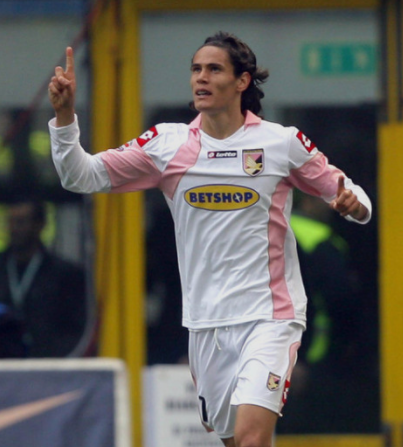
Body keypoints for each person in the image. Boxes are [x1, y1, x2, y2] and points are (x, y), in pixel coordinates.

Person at [48, 31, 371, 447]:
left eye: (214, 69)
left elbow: (348, 191)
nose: (201, 78)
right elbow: (81, 176)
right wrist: (64, 118)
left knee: (252, 439)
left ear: (242, 81)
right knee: (233, 440)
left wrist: (354, 205)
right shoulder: (167, 145)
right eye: (196, 69)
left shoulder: (280, 143)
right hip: (206, 323)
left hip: (270, 316)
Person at [0, 199, 89, 357]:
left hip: (50, 363)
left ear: (39, 225)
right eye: (10, 222)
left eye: (21, 222)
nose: (13, 229)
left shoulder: (66, 275)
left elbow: (75, 330)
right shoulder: (3, 267)